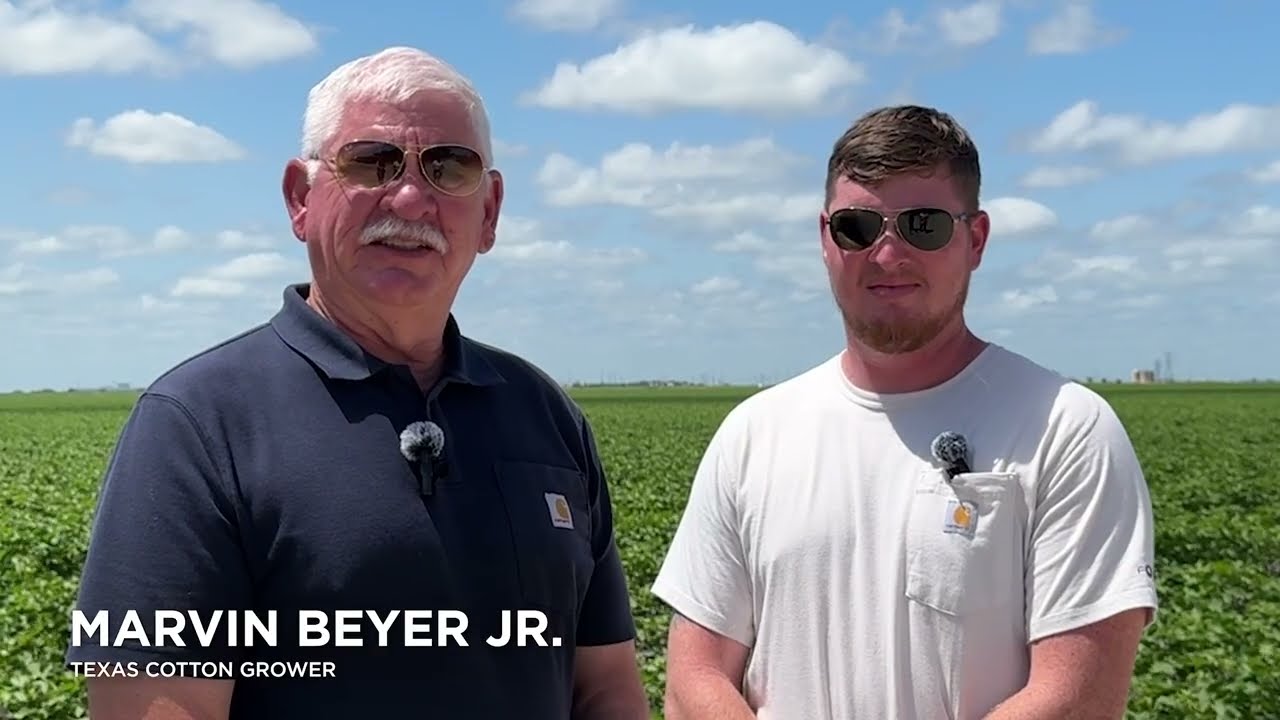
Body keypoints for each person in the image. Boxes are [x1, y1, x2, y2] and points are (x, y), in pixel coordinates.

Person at [65, 46, 650, 720]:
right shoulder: (195, 425)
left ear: (488, 212)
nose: (409, 197)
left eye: (448, 167)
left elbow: (604, 686)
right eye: (371, 162)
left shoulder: (546, 415)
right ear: (300, 199)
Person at [651, 104, 1159, 719]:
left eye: (923, 225)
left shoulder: (1065, 429)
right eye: (857, 227)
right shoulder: (754, 433)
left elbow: (1076, 699)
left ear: (975, 239)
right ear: (825, 239)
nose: (887, 253)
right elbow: (693, 679)